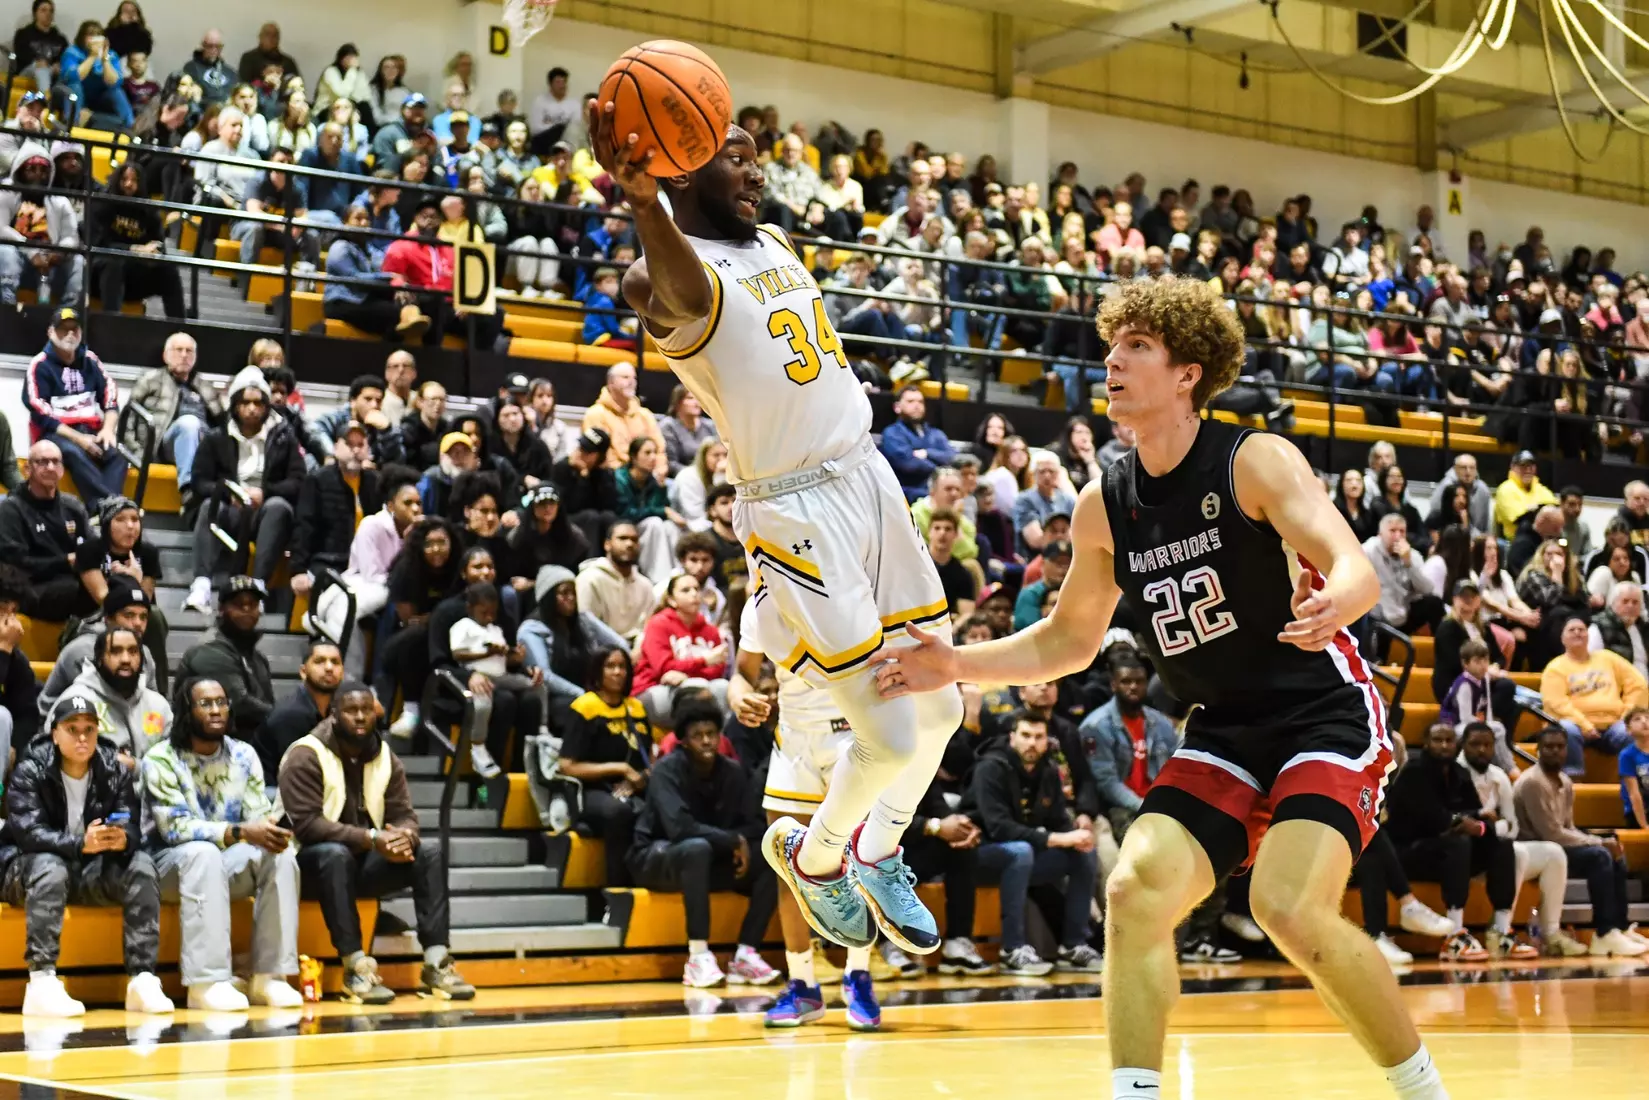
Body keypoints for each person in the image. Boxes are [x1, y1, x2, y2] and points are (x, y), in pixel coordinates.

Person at [875, 278, 1444, 1100]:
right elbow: (1068, 641)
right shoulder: (1104, 503)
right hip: (1221, 730)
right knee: (1135, 889)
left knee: (1287, 906)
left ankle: (1424, 1092)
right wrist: (956, 662)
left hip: (1320, 713)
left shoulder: (1252, 459)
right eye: (1111, 345)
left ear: (1187, 372)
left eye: (1136, 345)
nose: (1111, 359)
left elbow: (1349, 559)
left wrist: (1339, 601)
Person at [587, 105, 963, 959]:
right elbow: (681, 296)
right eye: (737, 162)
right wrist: (645, 201)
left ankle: (874, 848)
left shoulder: (779, 244)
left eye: (759, 161)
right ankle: (814, 855)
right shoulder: (655, 279)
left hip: (866, 476)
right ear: (682, 171)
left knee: (941, 703)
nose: (757, 175)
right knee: (890, 731)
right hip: (794, 505)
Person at [280, 680, 475, 1001]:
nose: (359, 717)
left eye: (366, 710)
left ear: (376, 714)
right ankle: (355, 969)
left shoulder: (384, 755)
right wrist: (373, 838)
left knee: (428, 850)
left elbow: (405, 814)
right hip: (306, 868)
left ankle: (436, 964)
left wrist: (404, 837)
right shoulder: (305, 754)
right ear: (333, 714)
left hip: (359, 865)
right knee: (334, 854)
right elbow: (307, 826)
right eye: (351, 710)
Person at [0, 693, 169, 1017]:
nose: (82, 737)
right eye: (72, 728)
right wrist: (80, 844)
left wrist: (121, 838)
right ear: (55, 734)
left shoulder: (112, 769)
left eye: (89, 729)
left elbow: (134, 824)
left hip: (87, 869)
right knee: (51, 867)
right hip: (24, 870)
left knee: (141, 865)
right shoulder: (30, 768)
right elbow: (27, 832)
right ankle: (42, 981)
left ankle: (142, 978)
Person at [143, 676, 303, 1011]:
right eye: (206, 703)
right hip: (167, 866)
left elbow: (256, 815)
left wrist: (270, 830)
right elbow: (174, 829)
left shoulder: (244, 755)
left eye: (222, 702)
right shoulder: (161, 758)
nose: (216, 710)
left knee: (281, 855)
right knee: (203, 854)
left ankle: (269, 977)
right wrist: (240, 832)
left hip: (223, 863)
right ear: (187, 710)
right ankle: (206, 983)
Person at [627, 702, 781, 988]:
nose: (707, 740)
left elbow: (750, 824)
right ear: (684, 741)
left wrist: (741, 842)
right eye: (698, 735)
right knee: (696, 847)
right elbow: (679, 828)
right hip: (655, 858)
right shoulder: (665, 771)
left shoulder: (732, 772)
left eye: (712, 733)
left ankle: (746, 954)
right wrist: (732, 840)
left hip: (708, 860)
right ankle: (697, 956)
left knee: (771, 857)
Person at [968, 711, 1104, 976]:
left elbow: (1058, 821)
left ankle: (1073, 944)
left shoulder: (1049, 771)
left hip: (1024, 859)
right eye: (1025, 736)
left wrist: (1075, 836)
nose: (1032, 743)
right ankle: (1012, 949)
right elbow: (999, 828)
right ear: (1012, 738)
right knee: (1020, 852)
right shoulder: (990, 767)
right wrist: (1056, 838)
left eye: (1038, 737)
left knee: (1082, 854)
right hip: (980, 854)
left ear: (1046, 741)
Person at [1383, 723, 1518, 960]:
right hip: (1407, 853)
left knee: (1501, 844)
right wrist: (1463, 822)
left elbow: (1477, 815)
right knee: (1459, 842)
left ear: (1456, 744)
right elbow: (1433, 818)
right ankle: (1454, 935)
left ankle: (1501, 929)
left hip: (1446, 851)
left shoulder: (1460, 773)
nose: (1444, 745)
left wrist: (1480, 826)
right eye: (1438, 740)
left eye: (1449, 740)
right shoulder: (1414, 772)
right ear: (1426, 742)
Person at [1513, 727, 1649, 957]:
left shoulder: (1565, 781)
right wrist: (1597, 843)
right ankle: (1604, 933)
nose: (1555, 751)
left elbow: (1569, 828)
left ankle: (1620, 927)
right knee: (1599, 855)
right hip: (1537, 849)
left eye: (1560, 747)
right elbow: (1551, 834)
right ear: (1538, 751)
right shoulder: (1532, 783)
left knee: (1615, 848)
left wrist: (1603, 840)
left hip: (1557, 845)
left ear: (1567, 751)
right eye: (1548, 747)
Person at [181, 370, 304, 614]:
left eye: (258, 403)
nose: (251, 408)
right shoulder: (216, 436)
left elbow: (298, 481)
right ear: (235, 405)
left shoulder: (284, 436)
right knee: (209, 506)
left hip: (262, 513)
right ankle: (201, 586)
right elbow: (199, 481)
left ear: (267, 406)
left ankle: (257, 587)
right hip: (230, 508)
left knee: (279, 507)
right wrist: (229, 493)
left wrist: (265, 493)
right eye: (245, 402)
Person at [1458, 722, 1584, 957]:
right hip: (1466, 851)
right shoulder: (1453, 772)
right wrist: (1490, 826)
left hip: (1495, 846)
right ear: (1463, 745)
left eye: (1487, 745)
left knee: (1553, 852)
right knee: (1516, 852)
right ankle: (1499, 930)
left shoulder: (1498, 776)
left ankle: (1552, 933)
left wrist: (1495, 827)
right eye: (1475, 744)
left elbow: (1511, 824)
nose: (1482, 750)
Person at [560, 646, 652, 888]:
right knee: (618, 813)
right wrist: (619, 769)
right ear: (598, 672)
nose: (618, 672)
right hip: (591, 791)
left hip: (632, 787)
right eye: (610, 666)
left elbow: (647, 761)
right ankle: (617, 892)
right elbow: (567, 766)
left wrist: (637, 780)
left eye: (622, 667)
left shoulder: (636, 708)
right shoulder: (585, 707)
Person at [23, 309, 126, 509]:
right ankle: (110, 509)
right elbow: (41, 413)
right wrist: (80, 440)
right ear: (51, 332)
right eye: (63, 329)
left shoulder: (90, 359)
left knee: (118, 456)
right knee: (73, 452)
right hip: (55, 434)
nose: (70, 334)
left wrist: (107, 430)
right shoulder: (39, 365)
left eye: (74, 329)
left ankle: (106, 511)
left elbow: (110, 395)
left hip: (91, 429)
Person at [446, 581, 548, 778]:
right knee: (483, 705)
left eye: (493, 612)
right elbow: (458, 654)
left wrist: (515, 657)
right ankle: (478, 747)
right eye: (484, 612)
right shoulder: (463, 627)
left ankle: (543, 728)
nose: (489, 616)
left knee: (537, 685)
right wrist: (485, 653)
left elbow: (503, 658)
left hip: (502, 676)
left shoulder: (496, 629)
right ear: (470, 608)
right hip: (478, 677)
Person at [289, 421, 384, 607]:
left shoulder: (375, 482)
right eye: (349, 444)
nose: (355, 450)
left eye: (360, 444)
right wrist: (298, 569)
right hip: (329, 560)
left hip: (368, 563)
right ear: (335, 448)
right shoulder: (317, 480)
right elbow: (304, 526)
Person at [123, 333, 222, 508]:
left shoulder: (205, 387)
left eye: (189, 351)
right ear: (165, 355)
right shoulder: (150, 380)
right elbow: (128, 419)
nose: (184, 355)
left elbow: (223, 423)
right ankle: (188, 489)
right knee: (189, 423)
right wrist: (138, 453)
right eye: (179, 350)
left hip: (201, 446)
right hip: (162, 447)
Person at [0, 440, 94, 622]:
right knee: (77, 589)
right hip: (30, 587)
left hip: (70, 581)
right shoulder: (10, 509)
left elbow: (92, 546)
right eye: (42, 462)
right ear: (27, 469)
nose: (50, 467)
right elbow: (16, 565)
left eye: (55, 462)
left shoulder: (73, 505)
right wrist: (65, 562)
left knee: (122, 585)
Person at [1540, 615, 1644, 776]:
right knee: (1567, 729)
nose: (1577, 633)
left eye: (1581, 629)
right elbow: (1556, 703)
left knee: (1632, 730)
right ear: (1563, 639)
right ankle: (1574, 780)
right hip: (1577, 727)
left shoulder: (1607, 657)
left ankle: (1635, 782)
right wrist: (1584, 725)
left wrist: (1627, 715)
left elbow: (1638, 684)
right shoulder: (1555, 668)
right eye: (1572, 630)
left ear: (1588, 635)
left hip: (1613, 725)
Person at [178, 576, 275, 746]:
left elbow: (267, 703)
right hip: (207, 746)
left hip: (248, 746)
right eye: (238, 604)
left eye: (252, 604)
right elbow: (240, 704)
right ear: (221, 609)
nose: (247, 609)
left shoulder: (257, 657)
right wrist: (284, 716)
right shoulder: (210, 648)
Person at [634, 573, 729, 727]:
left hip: (699, 687)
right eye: (685, 590)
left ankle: (718, 745)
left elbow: (718, 668)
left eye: (697, 589)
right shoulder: (658, 624)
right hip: (656, 688)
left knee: (723, 687)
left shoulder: (710, 630)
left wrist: (685, 675)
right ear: (671, 600)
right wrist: (704, 661)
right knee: (696, 688)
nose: (694, 594)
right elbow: (662, 668)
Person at [257, 639, 344, 784]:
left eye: (335, 662)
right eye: (320, 661)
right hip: (272, 792)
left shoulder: (337, 709)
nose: (329, 667)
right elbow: (294, 773)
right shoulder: (289, 714)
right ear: (303, 672)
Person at [1363, 513, 1444, 639]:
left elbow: (1427, 589)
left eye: (1402, 531)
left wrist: (1409, 564)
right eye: (1392, 531)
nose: (1398, 536)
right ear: (1380, 534)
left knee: (1434, 603)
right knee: (1372, 614)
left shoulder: (1412, 555)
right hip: (1379, 615)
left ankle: (1437, 652)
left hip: (1404, 612)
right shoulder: (1368, 551)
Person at [580, 363, 667, 475]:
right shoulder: (595, 414)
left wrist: (660, 469)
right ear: (610, 383)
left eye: (634, 378)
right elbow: (599, 456)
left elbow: (660, 450)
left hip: (646, 477)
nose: (631, 382)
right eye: (625, 377)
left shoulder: (645, 415)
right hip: (612, 478)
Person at [575, 520, 654, 642]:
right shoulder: (589, 579)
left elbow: (649, 629)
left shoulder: (646, 586)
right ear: (607, 544)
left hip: (639, 651)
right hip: (603, 652)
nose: (629, 544)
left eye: (634, 540)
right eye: (622, 538)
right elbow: (586, 629)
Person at [879, 387, 958, 503]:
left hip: (938, 495)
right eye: (910, 401)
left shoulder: (936, 434)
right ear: (897, 407)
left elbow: (952, 458)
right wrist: (940, 469)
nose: (916, 405)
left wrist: (927, 453)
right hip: (907, 495)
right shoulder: (892, 433)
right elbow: (908, 464)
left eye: (920, 402)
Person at [1590, 582, 1649, 680]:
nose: (1630, 606)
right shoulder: (1598, 627)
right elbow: (1589, 664)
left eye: (1635, 602)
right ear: (1613, 603)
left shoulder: (1643, 628)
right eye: (1625, 601)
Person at [1493, 450, 1557, 541]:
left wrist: (1533, 510)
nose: (1528, 470)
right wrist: (1540, 510)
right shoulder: (1505, 489)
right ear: (1513, 467)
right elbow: (1518, 519)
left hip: (1542, 541)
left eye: (1531, 466)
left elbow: (1555, 511)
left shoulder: (1541, 489)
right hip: (1514, 541)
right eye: (1523, 466)